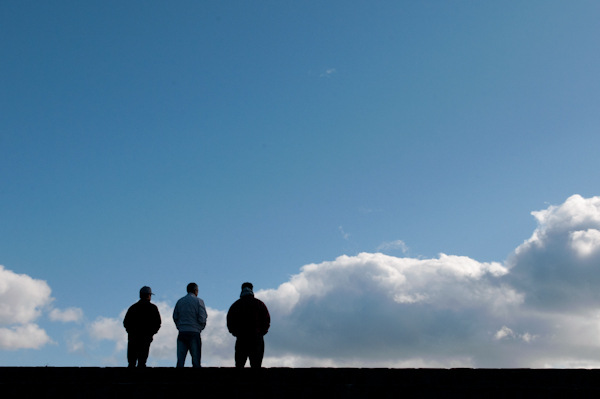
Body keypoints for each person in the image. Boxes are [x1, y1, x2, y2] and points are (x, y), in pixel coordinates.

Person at [227, 282, 270, 368]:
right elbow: (266, 319)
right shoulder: (259, 304)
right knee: (256, 364)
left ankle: (239, 380)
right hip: (256, 336)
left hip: (241, 336)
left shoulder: (236, 305)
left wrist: (235, 332)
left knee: (240, 363)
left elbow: (230, 320)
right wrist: (262, 332)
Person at [123, 286, 162, 368]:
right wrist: (151, 333)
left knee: (131, 362)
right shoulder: (153, 308)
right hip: (146, 337)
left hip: (133, 337)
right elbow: (157, 323)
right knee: (142, 361)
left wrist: (131, 332)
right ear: (148, 295)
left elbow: (126, 322)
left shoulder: (133, 308)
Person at [173, 282, 207, 367]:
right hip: (194, 332)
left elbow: (175, 316)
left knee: (180, 361)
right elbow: (202, 317)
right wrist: (199, 328)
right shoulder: (199, 301)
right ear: (196, 291)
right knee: (196, 361)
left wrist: (180, 326)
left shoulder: (180, 301)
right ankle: (196, 379)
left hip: (182, 332)